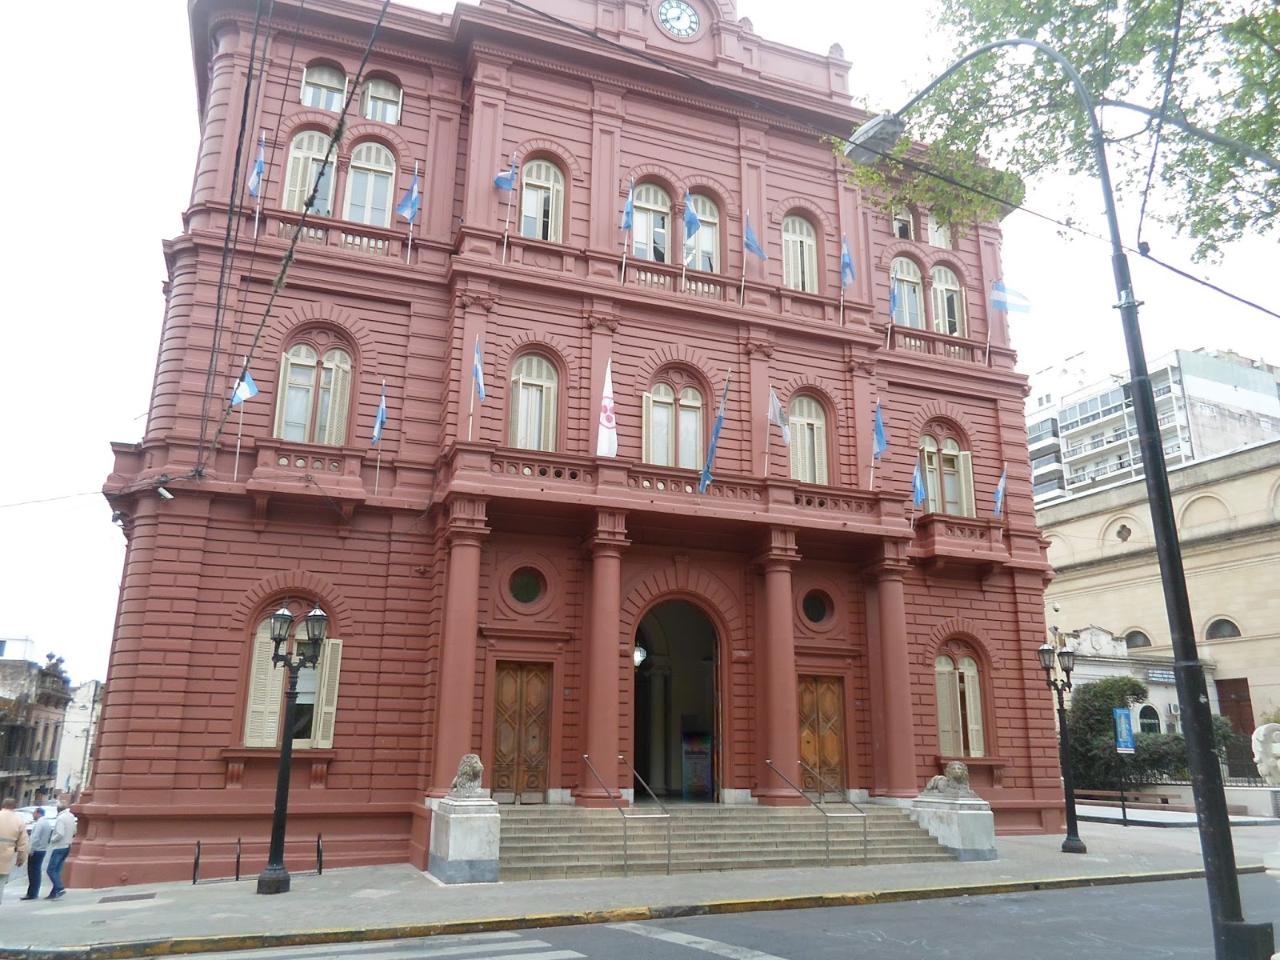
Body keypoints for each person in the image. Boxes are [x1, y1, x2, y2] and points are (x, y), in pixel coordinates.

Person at [45, 794, 77, 900]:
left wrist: (51, 840)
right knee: (57, 870)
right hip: (67, 845)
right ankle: (54, 893)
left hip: (59, 846)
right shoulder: (71, 816)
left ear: (58, 809)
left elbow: (59, 833)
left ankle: (59, 888)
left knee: (51, 870)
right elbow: (74, 831)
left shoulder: (61, 818)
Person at [0, 797, 31, 906]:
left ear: (3, 805)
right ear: (14, 807)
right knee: (1, 882)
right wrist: (21, 859)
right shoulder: (19, 821)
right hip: (6, 856)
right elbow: (23, 844)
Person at [22, 807, 53, 900]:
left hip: (36, 850)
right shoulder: (47, 823)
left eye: (34, 813)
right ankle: (34, 892)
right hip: (42, 849)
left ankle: (32, 893)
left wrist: (30, 849)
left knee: (33, 872)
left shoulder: (40, 823)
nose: (33, 815)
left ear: (38, 813)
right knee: (36, 871)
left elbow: (35, 838)